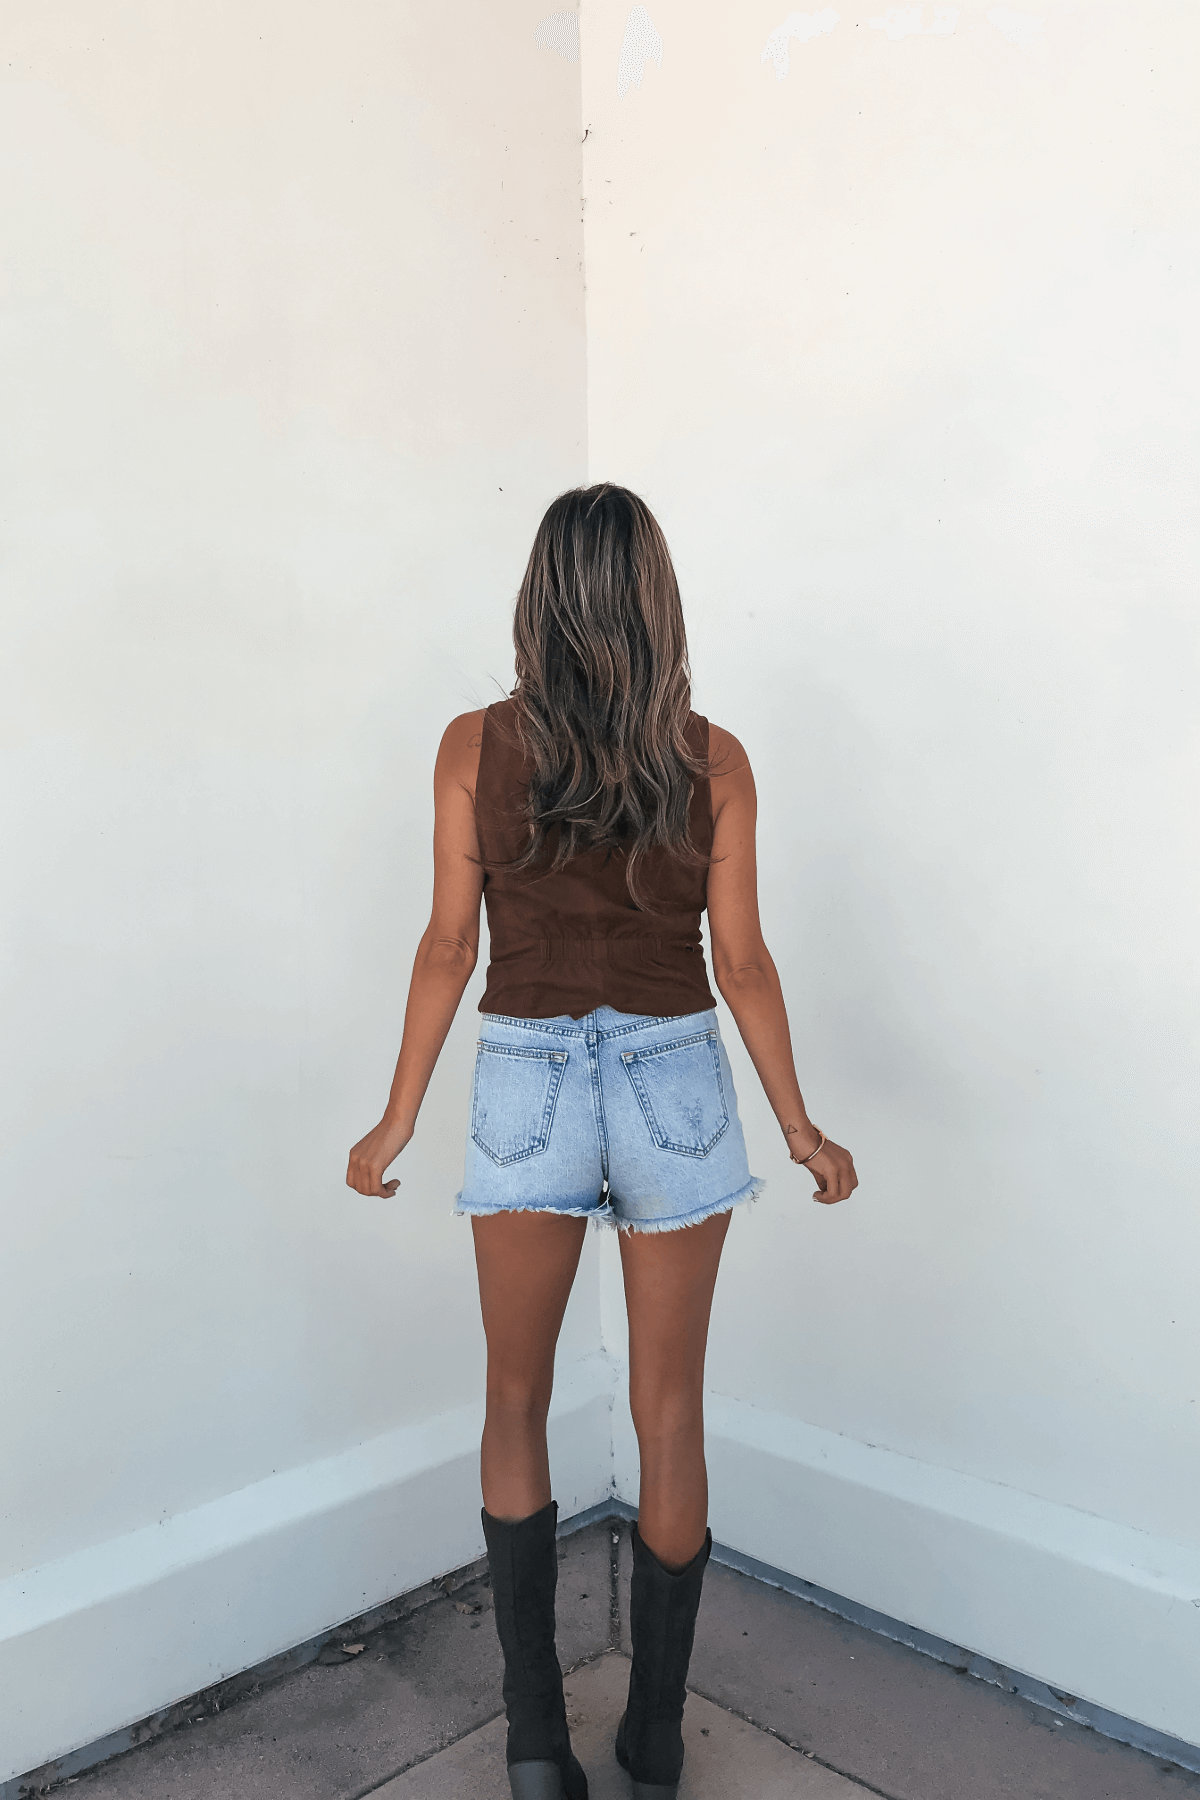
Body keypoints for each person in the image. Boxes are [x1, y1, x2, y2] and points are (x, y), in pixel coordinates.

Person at [346, 484, 857, 1800]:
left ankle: (535, 1744)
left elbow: (448, 946)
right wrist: (799, 1127)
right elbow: (742, 962)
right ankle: (653, 1742)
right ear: (655, 600)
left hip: (528, 1070)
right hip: (675, 1069)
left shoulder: (473, 747)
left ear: (540, 598)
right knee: (670, 1409)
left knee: (512, 1400)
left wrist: (398, 1118)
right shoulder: (715, 759)